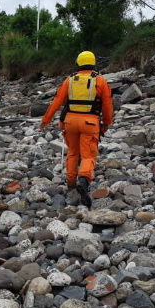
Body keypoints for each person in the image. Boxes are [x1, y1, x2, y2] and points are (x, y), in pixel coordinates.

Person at [40, 51, 113, 207]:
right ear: (93, 63)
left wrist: (46, 119)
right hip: (90, 122)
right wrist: (106, 123)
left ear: (78, 63)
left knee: (73, 152)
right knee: (88, 155)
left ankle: (71, 183)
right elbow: (107, 105)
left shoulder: (70, 80)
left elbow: (57, 101)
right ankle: (84, 180)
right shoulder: (99, 81)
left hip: (70, 122)